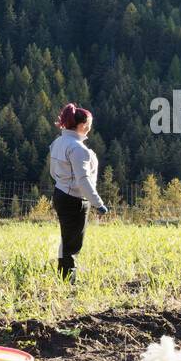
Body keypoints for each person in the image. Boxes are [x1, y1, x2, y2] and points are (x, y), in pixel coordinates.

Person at [49, 103, 108, 281]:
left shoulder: (58, 142)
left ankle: (63, 278)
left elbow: (53, 171)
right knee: (73, 243)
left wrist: (62, 182)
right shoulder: (78, 149)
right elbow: (83, 180)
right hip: (75, 200)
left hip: (60, 193)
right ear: (81, 125)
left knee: (66, 238)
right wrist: (98, 203)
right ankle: (68, 282)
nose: (89, 130)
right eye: (88, 126)